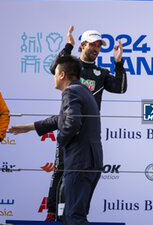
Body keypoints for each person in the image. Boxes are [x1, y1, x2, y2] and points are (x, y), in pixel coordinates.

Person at [45, 26, 127, 221]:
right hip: (68, 126)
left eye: (99, 46)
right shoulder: (72, 66)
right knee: (61, 169)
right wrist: (67, 47)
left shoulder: (101, 72)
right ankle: (53, 213)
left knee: (83, 177)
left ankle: (78, 215)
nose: (96, 49)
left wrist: (118, 63)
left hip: (88, 134)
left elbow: (120, 88)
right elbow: (53, 69)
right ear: (83, 45)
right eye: (93, 45)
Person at [9, 55, 103, 225]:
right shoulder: (82, 90)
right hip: (90, 161)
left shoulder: (71, 91)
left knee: (74, 218)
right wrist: (28, 127)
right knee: (72, 216)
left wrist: (61, 140)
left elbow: (73, 121)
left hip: (79, 162)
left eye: (55, 73)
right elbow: (60, 119)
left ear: (62, 75)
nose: (53, 77)